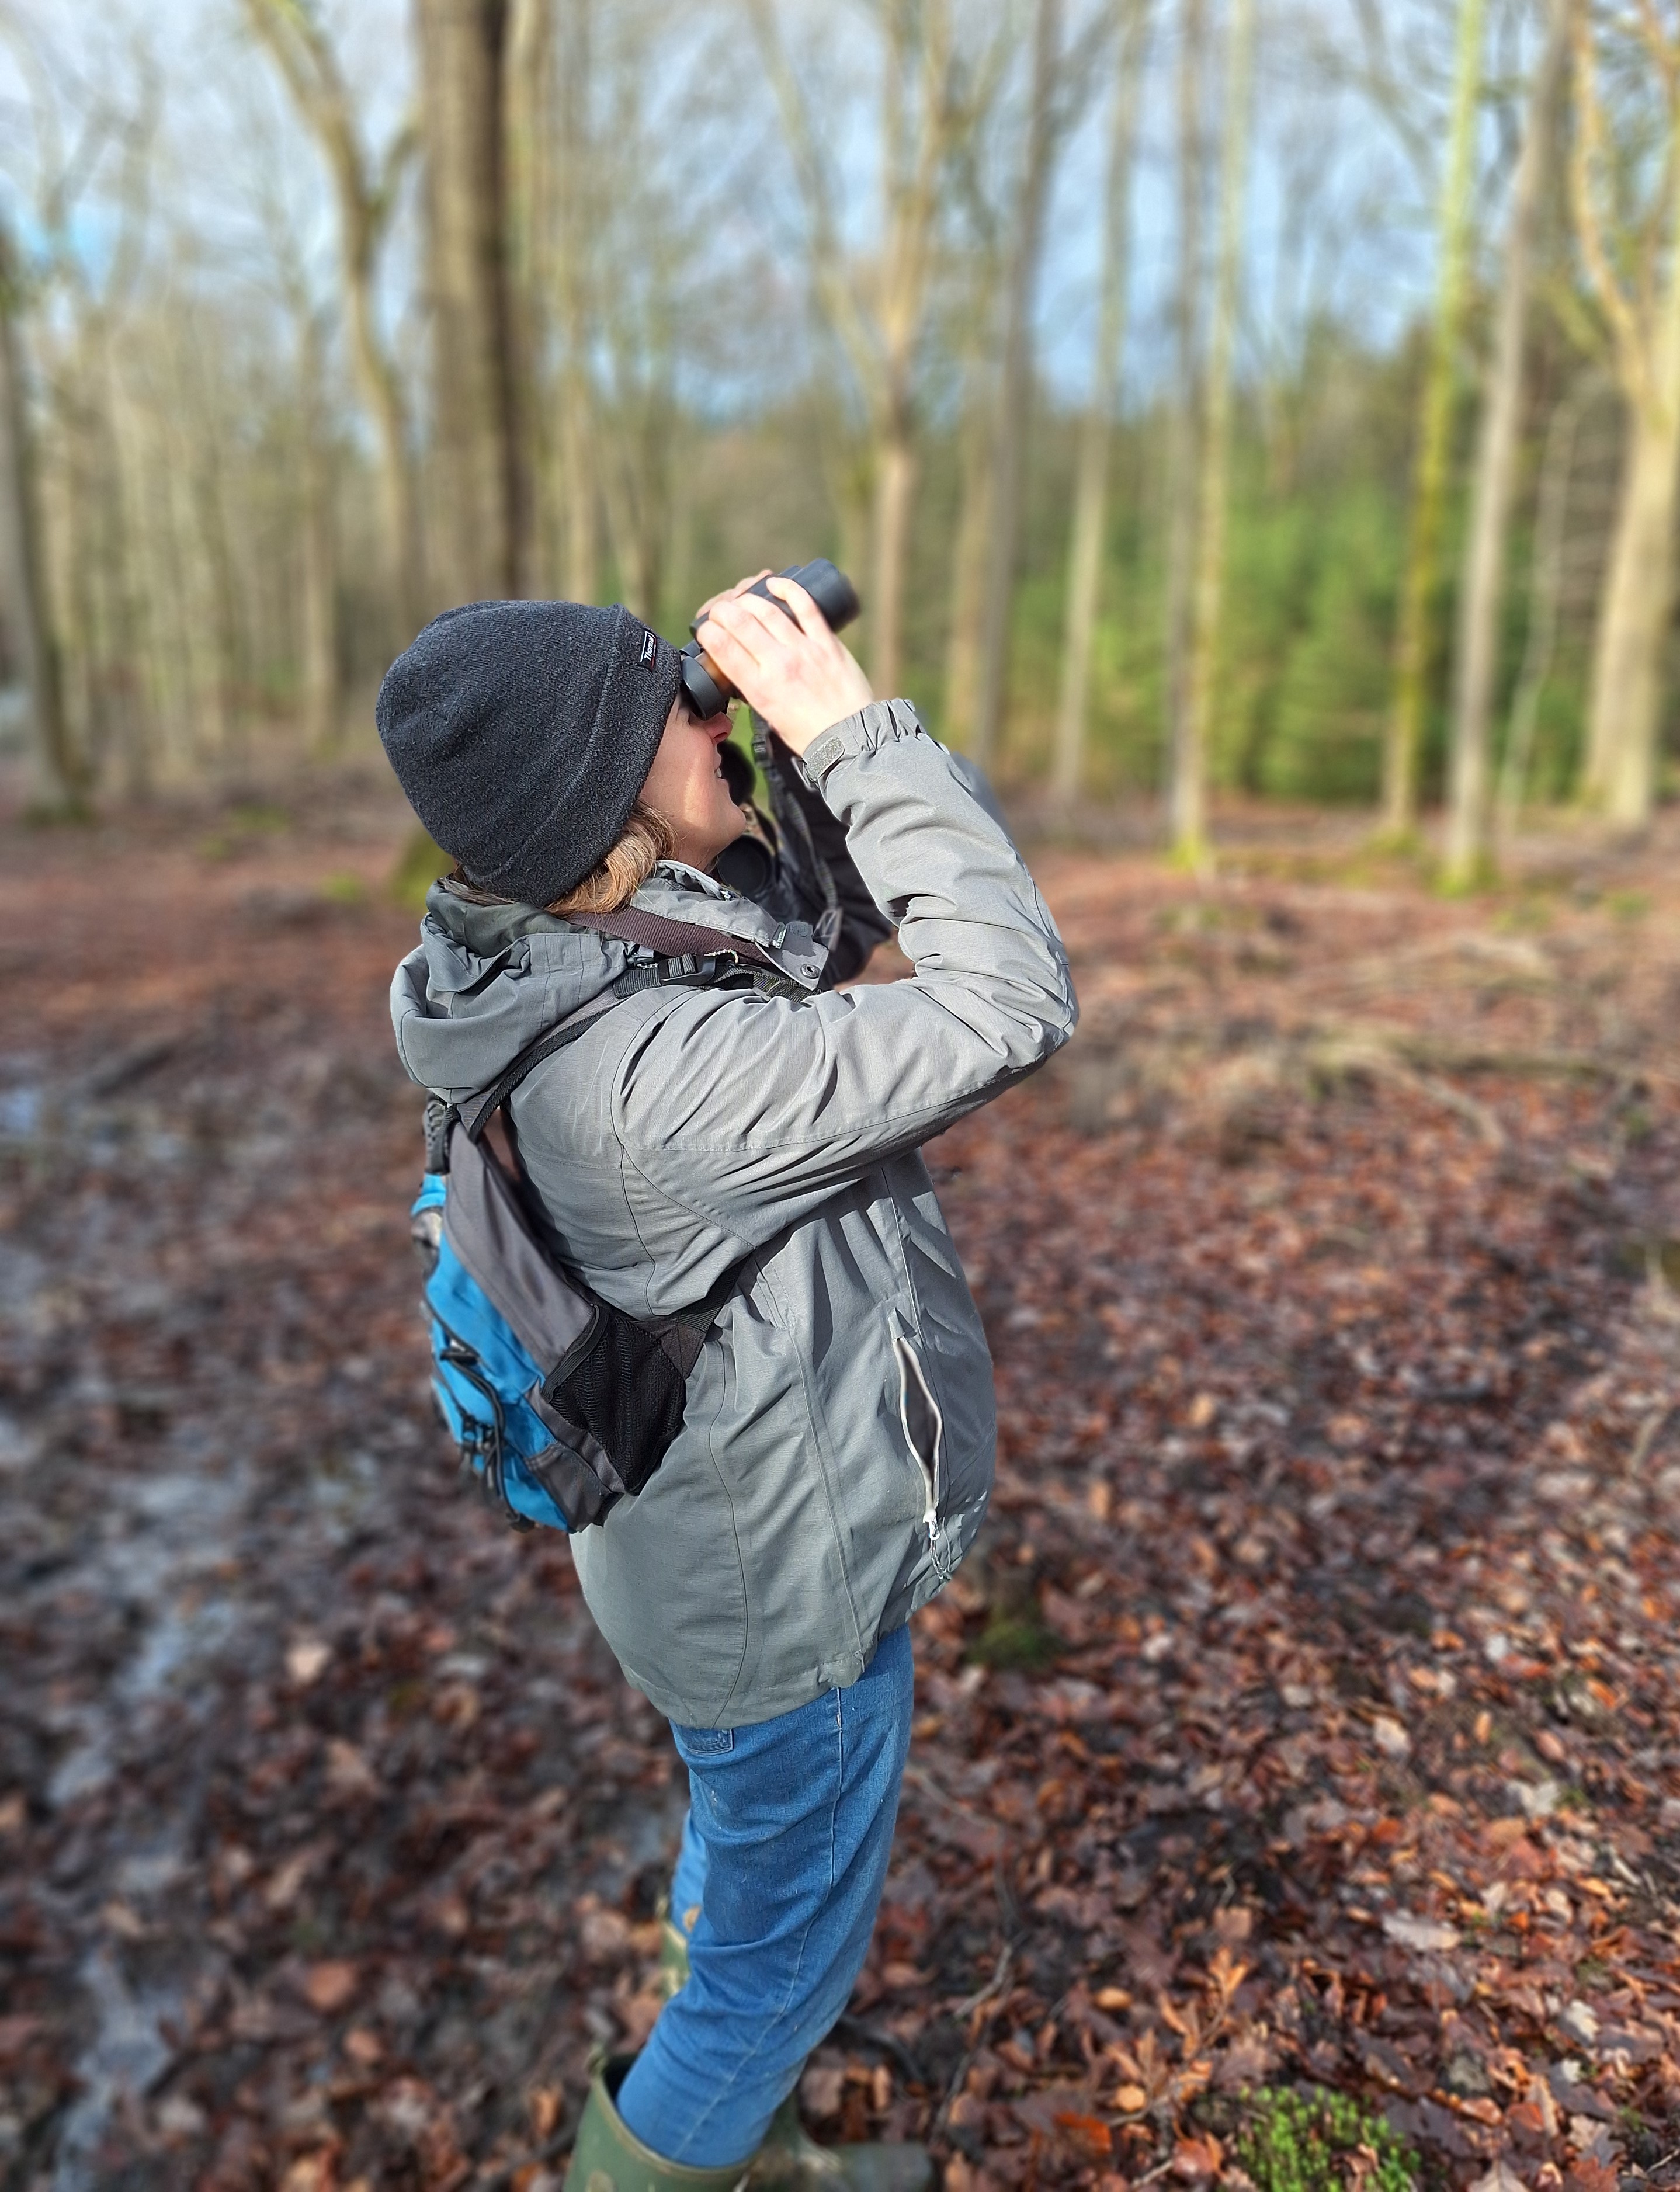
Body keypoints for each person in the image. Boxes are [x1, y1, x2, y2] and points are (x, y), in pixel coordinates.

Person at [377, 575, 1077, 2192]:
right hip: (784, 1600)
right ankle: (666, 2157)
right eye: (676, 709)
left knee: (744, 1873)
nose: (713, 712)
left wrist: (792, 760)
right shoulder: (641, 1090)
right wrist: (852, 731)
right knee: (770, 1982)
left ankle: (733, 2143)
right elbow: (1003, 994)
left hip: (720, 1555)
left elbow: (822, 940)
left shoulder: (573, 946)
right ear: (598, 800)